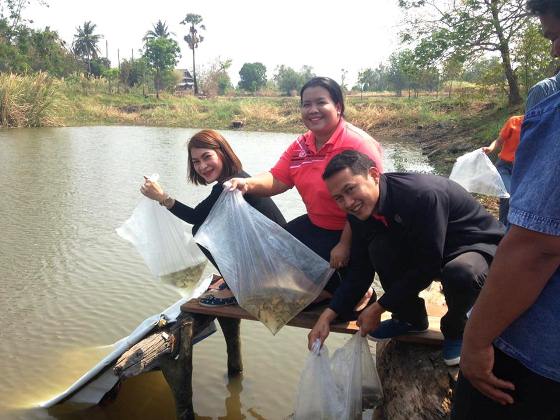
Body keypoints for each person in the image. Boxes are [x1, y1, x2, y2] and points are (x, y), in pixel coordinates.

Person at [451, 1, 560, 418]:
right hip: (521, 178)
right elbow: (500, 149)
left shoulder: (550, 105)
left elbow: (537, 246)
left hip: (535, 351)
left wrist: (475, 341)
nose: (553, 53)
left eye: (554, 36)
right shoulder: (519, 121)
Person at [308, 150, 504, 366]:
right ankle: (410, 318)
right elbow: (361, 271)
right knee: (380, 249)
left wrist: (378, 307)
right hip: (430, 249)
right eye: (339, 198)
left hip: (477, 247)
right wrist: (326, 317)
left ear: (373, 175)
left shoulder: (420, 195)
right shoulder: (360, 213)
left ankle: (457, 331)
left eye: (350, 189)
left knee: (460, 273)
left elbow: (428, 266)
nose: (348, 202)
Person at [227, 77, 384, 310]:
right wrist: (246, 184)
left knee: (342, 289)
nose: (312, 110)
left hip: (356, 227)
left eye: (321, 102)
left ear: (338, 106)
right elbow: (279, 178)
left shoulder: (358, 143)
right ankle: (326, 288)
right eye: (306, 104)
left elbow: (371, 200)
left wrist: (344, 242)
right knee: (273, 249)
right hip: (318, 223)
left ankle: (361, 291)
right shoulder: (301, 145)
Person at [140, 129, 286, 306]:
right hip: (274, 255)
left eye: (207, 157)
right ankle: (238, 280)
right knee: (208, 226)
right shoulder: (238, 177)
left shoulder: (229, 184)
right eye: (196, 162)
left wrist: (162, 197)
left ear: (222, 153)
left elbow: (195, 216)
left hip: (275, 260)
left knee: (201, 230)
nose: (202, 166)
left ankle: (236, 287)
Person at [482, 115, 524, 225]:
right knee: (508, 195)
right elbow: (499, 141)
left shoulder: (541, 125)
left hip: (523, 169)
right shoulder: (514, 121)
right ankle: (503, 228)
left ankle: (512, 227)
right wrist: (490, 148)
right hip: (504, 166)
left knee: (519, 199)